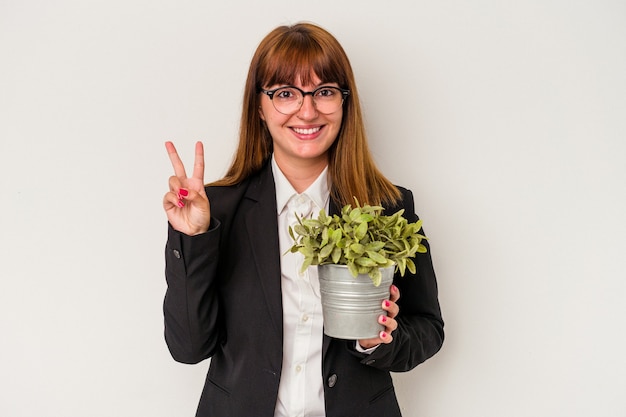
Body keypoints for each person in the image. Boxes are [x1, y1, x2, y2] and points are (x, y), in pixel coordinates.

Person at [162, 22, 444, 417]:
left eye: (324, 92)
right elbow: (189, 347)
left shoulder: (389, 207)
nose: (307, 110)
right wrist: (193, 237)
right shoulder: (218, 211)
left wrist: (376, 339)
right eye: (285, 94)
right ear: (258, 107)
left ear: (345, 103)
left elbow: (428, 329)